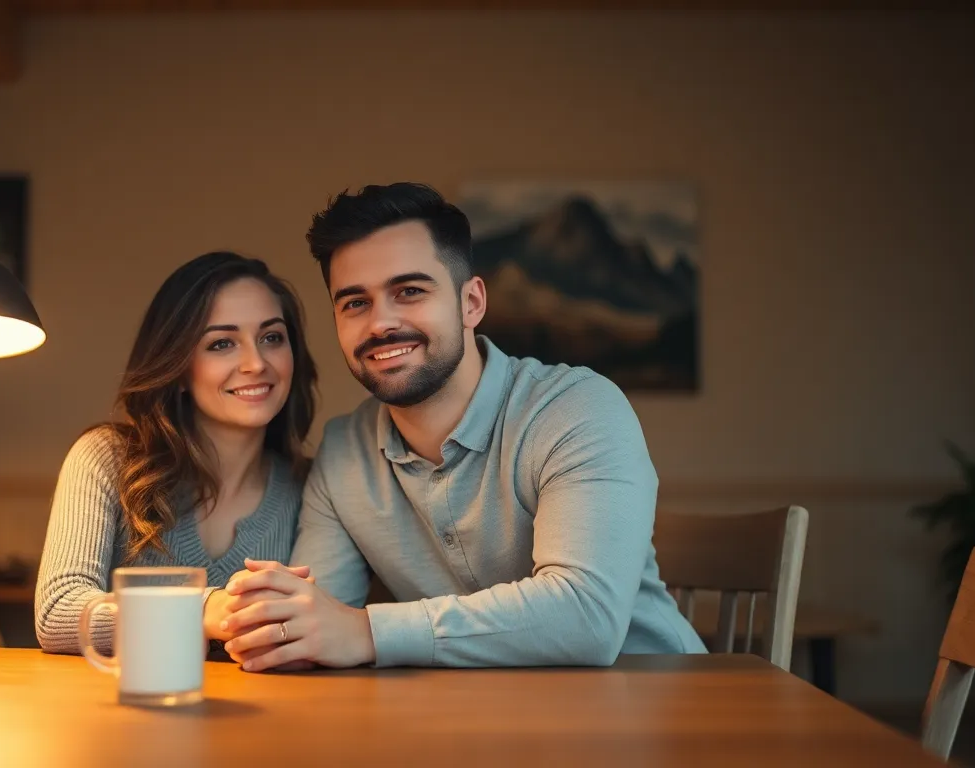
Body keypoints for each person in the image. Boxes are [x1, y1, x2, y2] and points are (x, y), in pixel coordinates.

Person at [208, 183, 707, 671]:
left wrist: (364, 631)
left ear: (472, 303)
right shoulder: (344, 450)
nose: (380, 323)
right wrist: (259, 618)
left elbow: (586, 618)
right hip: (481, 727)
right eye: (355, 302)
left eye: (409, 291)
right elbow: (314, 621)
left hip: (662, 713)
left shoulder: (576, 409)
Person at [35, 251, 318, 655]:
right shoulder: (106, 458)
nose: (256, 363)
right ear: (179, 368)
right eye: (222, 343)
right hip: (123, 712)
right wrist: (202, 608)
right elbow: (58, 614)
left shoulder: (311, 488)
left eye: (272, 337)